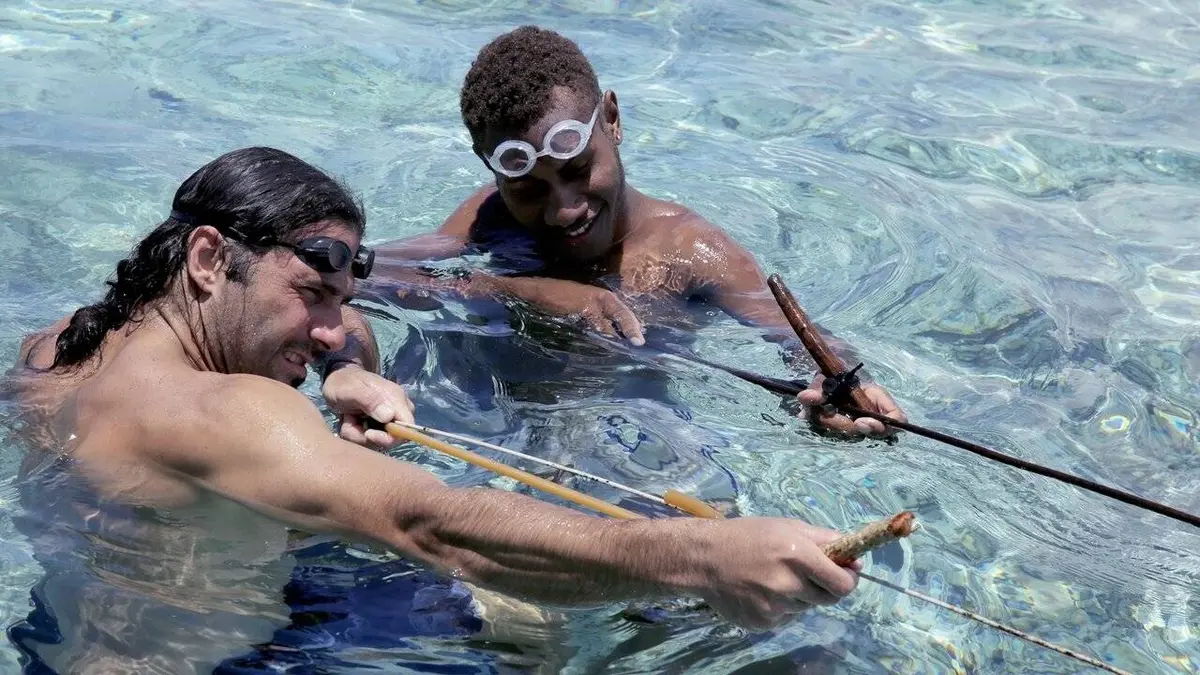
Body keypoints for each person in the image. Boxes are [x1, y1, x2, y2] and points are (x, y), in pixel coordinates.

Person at [4, 146, 860, 674]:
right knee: (551, 630)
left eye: (341, 299)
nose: (331, 324)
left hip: (65, 638)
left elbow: (336, 340)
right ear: (206, 258)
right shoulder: (228, 412)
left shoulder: (61, 350)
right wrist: (702, 557)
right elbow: (438, 526)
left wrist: (340, 368)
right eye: (311, 293)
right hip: (242, 659)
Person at [368, 25, 906, 438]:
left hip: (631, 425)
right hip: (487, 411)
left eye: (579, 170)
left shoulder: (692, 250)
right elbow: (360, 269)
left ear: (613, 119)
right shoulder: (491, 216)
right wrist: (528, 291)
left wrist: (836, 387)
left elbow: (796, 338)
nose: (564, 209)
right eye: (529, 189)